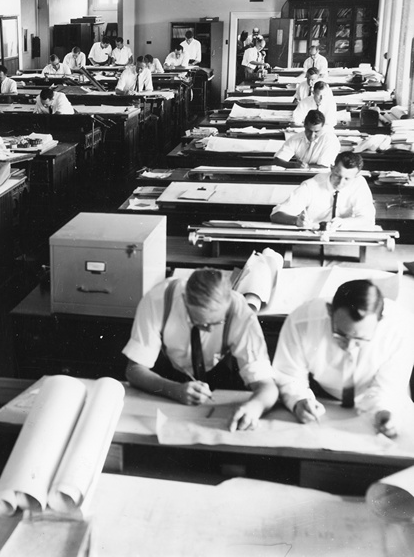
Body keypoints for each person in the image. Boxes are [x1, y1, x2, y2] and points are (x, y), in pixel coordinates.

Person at [123, 269, 279, 432]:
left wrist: (254, 407)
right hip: (168, 379)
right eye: (202, 324)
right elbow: (134, 370)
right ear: (185, 299)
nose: (210, 331)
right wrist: (174, 390)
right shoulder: (158, 300)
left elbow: (268, 386)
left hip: (220, 377)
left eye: (217, 322)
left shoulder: (241, 313)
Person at [273, 280, 414, 439]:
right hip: (322, 397)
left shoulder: (401, 329)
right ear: (330, 311)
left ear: (379, 321)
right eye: (340, 334)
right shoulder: (301, 321)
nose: (349, 347)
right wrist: (299, 400)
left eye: (360, 339)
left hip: (379, 399)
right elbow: (288, 374)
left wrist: (384, 411)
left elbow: (388, 389)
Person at [270, 152, 375, 230]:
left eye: (347, 179)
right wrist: (296, 221)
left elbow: (368, 218)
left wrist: (345, 222)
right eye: (337, 176)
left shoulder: (359, 183)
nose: (340, 183)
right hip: (311, 238)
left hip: (345, 239)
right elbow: (276, 214)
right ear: (332, 168)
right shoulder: (311, 185)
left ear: (356, 176)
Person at [273, 110, 340, 169]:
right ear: (304, 125)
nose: (312, 136)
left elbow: (324, 167)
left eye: (316, 131)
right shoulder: (296, 138)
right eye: (309, 131)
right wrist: (294, 165)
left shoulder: (330, 140)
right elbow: (277, 160)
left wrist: (307, 167)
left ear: (322, 127)